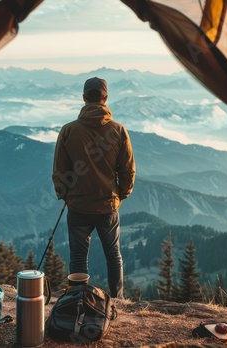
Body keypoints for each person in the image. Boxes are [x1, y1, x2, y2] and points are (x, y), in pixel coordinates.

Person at [52, 77, 135, 298]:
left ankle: (78, 301)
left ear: (83, 98)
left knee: (78, 257)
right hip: (108, 205)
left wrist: (63, 194)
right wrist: (121, 195)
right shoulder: (118, 130)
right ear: (105, 99)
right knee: (113, 255)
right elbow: (127, 170)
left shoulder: (68, 130)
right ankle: (117, 300)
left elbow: (60, 170)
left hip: (78, 206)